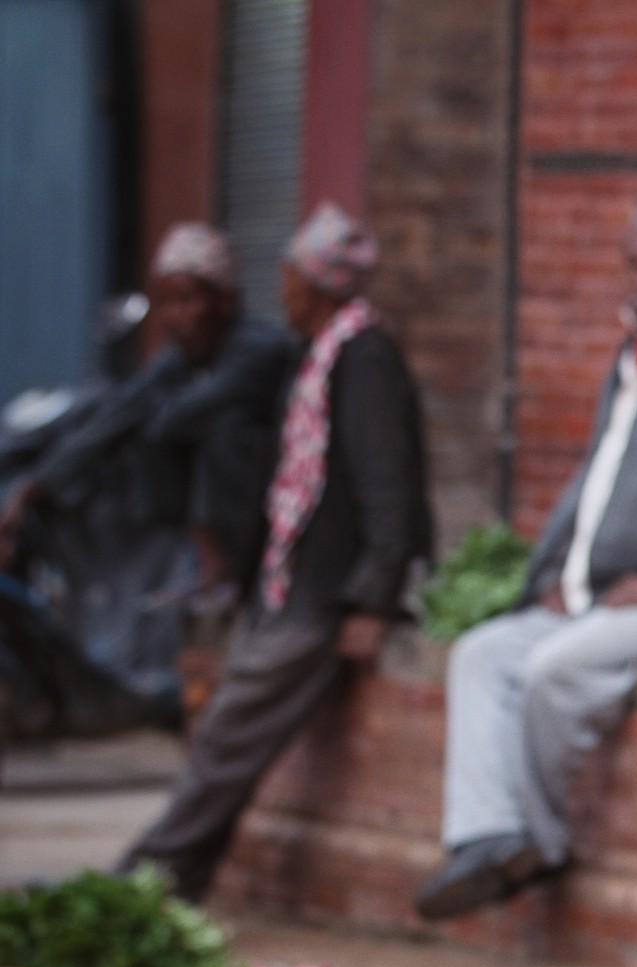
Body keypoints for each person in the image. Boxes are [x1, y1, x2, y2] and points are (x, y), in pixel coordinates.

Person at [416, 178, 637, 920]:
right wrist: (567, 581)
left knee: (556, 668)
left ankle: (539, 845)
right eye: (634, 264)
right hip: (611, 597)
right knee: (484, 653)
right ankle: (490, 836)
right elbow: (604, 481)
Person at [120, 203, 432, 902]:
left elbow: (389, 483)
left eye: (289, 276)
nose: (282, 290)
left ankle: (149, 878)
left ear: (314, 283)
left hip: (322, 596)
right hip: (287, 583)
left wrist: (372, 598)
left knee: (227, 740)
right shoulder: (315, 352)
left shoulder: (364, 355)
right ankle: (175, 877)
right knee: (227, 743)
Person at [0, 224, 295, 698]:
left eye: (187, 301)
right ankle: (199, 559)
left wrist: (154, 413)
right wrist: (28, 492)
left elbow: (174, 420)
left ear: (223, 300)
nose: (175, 318)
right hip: (214, 501)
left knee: (222, 434)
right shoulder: (181, 359)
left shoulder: (258, 350)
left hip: (275, 510)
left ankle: (219, 564)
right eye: (167, 303)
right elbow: (117, 416)